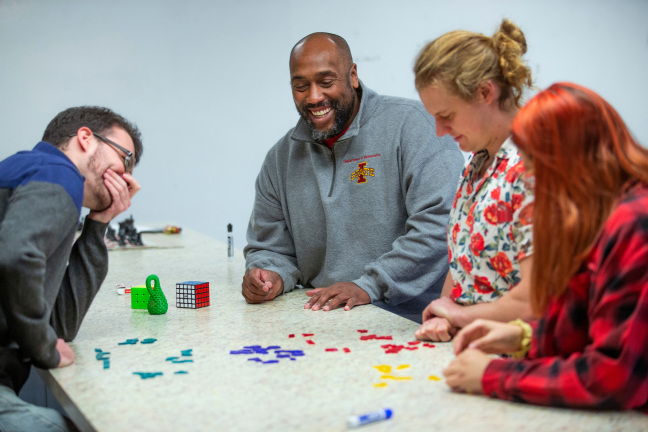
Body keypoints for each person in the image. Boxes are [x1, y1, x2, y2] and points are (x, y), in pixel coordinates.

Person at [444, 82, 648, 411]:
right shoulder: (601, 213)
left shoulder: (636, 222)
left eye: (535, 167)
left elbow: (612, 376)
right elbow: (585, 321)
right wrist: (524, 337)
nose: (529, 180)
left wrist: (494, 374)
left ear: (570, 159)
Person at [242, 32, 464, 320]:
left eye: (326, 82)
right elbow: (269, 246)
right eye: (300, 86)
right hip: (325, 321)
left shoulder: (415, 127)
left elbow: (439, 225)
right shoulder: (280, 159)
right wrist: (268, 275)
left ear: (353, 75)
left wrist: (368, 285)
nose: (314, 96)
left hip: (411, 323)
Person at [0, 106, 143, 430]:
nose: (128, 177)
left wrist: (100, 222)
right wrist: (45, 349)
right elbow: (17, 257)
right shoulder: (58, 172)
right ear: (85, 139)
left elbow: (60, 324)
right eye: (126, 159)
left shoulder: (34, 174)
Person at [412, 20, 535, 341]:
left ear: (485, 92)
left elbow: (537, 300)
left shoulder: (534, 167)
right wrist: (445, 307)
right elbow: (464, 257)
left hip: (520, 352)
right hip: (473, 343)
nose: (439, 130)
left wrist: (459, 315)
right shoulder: (479, 161)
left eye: (447, 116)